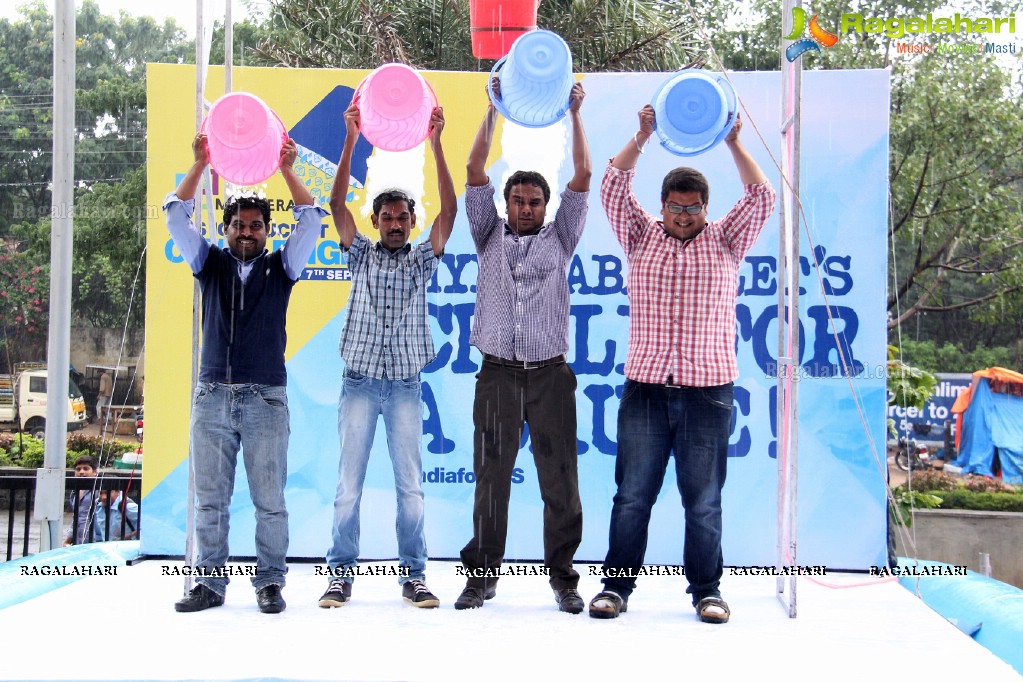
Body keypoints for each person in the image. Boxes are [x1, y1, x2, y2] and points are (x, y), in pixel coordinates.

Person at [588, 107, 776, 623]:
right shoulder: (640, 235)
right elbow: (612, 182)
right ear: (663, 204)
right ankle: (615, 590)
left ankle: (707, 592)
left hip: (708, 392)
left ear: (705, 208)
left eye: (692, 208)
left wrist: (735, 143)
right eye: (674, 206)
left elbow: (763, 197)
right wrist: (642, 135)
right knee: (632, 497)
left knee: (704, 501)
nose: (682, 215)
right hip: (646, 389)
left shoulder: (727, 242)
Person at [163, 133, 327, 614]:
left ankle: (270, 583)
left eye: (256, 226)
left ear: (267, 232)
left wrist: (286, 170)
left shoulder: (283, 268)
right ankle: (210, 586)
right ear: (227, 229)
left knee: (269, 500)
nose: (247, 232)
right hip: (212, 396)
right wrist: (199, 164)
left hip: (265, 400)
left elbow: (313, 219)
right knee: (210, 501)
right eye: (238, 225)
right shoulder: (206, 263)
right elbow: (176, 214)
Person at [455, 79, 591, 613]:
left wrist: (575, 114)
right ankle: (481, 576)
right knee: (491, 480)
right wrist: (492, 111)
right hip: (497, 374)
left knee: (559, 480)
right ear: (507, 203)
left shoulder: (562, 237)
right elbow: (473, 172)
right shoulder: (487, 233)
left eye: (535, 201)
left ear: (546, 204)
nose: (527, 207)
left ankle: (564, 579)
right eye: (518, 199)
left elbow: (582, 175)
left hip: (550, 376)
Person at [319, 101, 455, 610]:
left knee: (411, 489)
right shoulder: (360, 256)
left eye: (403, 217)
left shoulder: (423, 260)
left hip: (403, 388)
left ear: (411, 221)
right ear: (375, 221)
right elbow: (336, 207)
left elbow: (451, 212)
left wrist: (436, 144)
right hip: (358, 383)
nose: (395, 223)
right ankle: (339, 576)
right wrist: (351, 139)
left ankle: (415, 576)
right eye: (387, 216)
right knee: (348, 487)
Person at [65, 455, 99, 545]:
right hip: (79, 540)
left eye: (86, 468)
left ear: (94, 472)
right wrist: (69, 538)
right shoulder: (74, 492)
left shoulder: (100, 491)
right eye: (78, 469)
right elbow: (77, 517)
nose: (81, 472)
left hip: (96, 540)